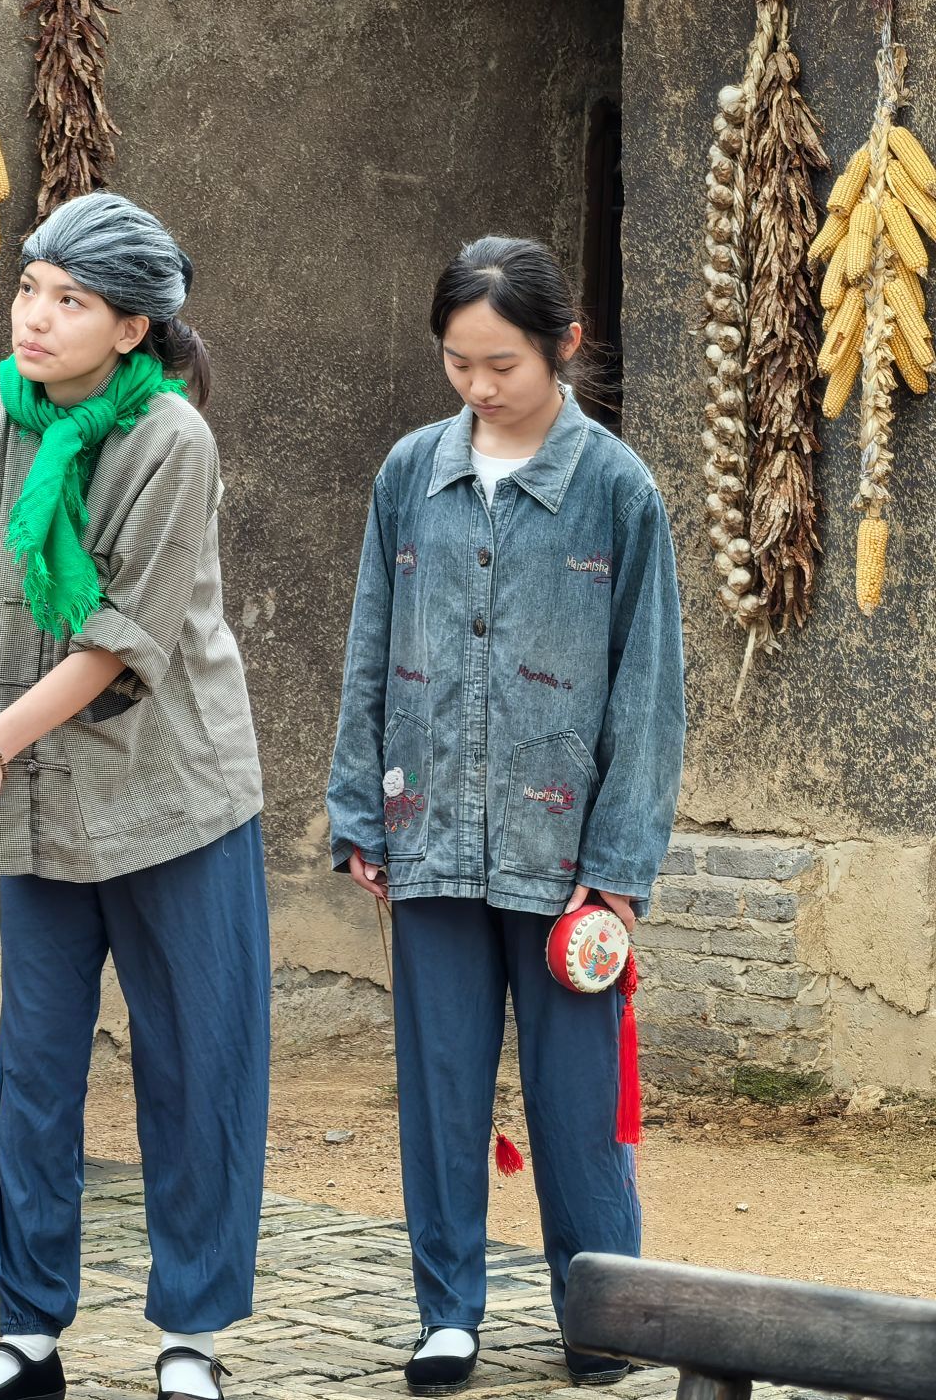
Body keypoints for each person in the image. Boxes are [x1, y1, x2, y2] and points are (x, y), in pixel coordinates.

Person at [0, 192, 269, 1400]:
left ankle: (190, 1337)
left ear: (129, 329)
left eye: (70, 301)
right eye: (29, 289)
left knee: (194, 1069)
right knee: (32, 1071)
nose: (34, 316)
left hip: (173, 797)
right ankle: (26, 1332)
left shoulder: (170, 439)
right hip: (34, 791)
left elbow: (119, 640)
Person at [325, 236, 684, 1394]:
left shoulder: (616, 491)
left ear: (562, 346)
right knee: (439, 1086)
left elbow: (648, 692)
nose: (477, 386)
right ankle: (446, 1314)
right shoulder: (407, 475)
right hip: (425, 831)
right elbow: (369, 649)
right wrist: (357, 812)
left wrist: (616, 869)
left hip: (564, 856)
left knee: (577, 1103)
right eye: (456, 363)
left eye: (501, 365)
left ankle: (601, 1313)